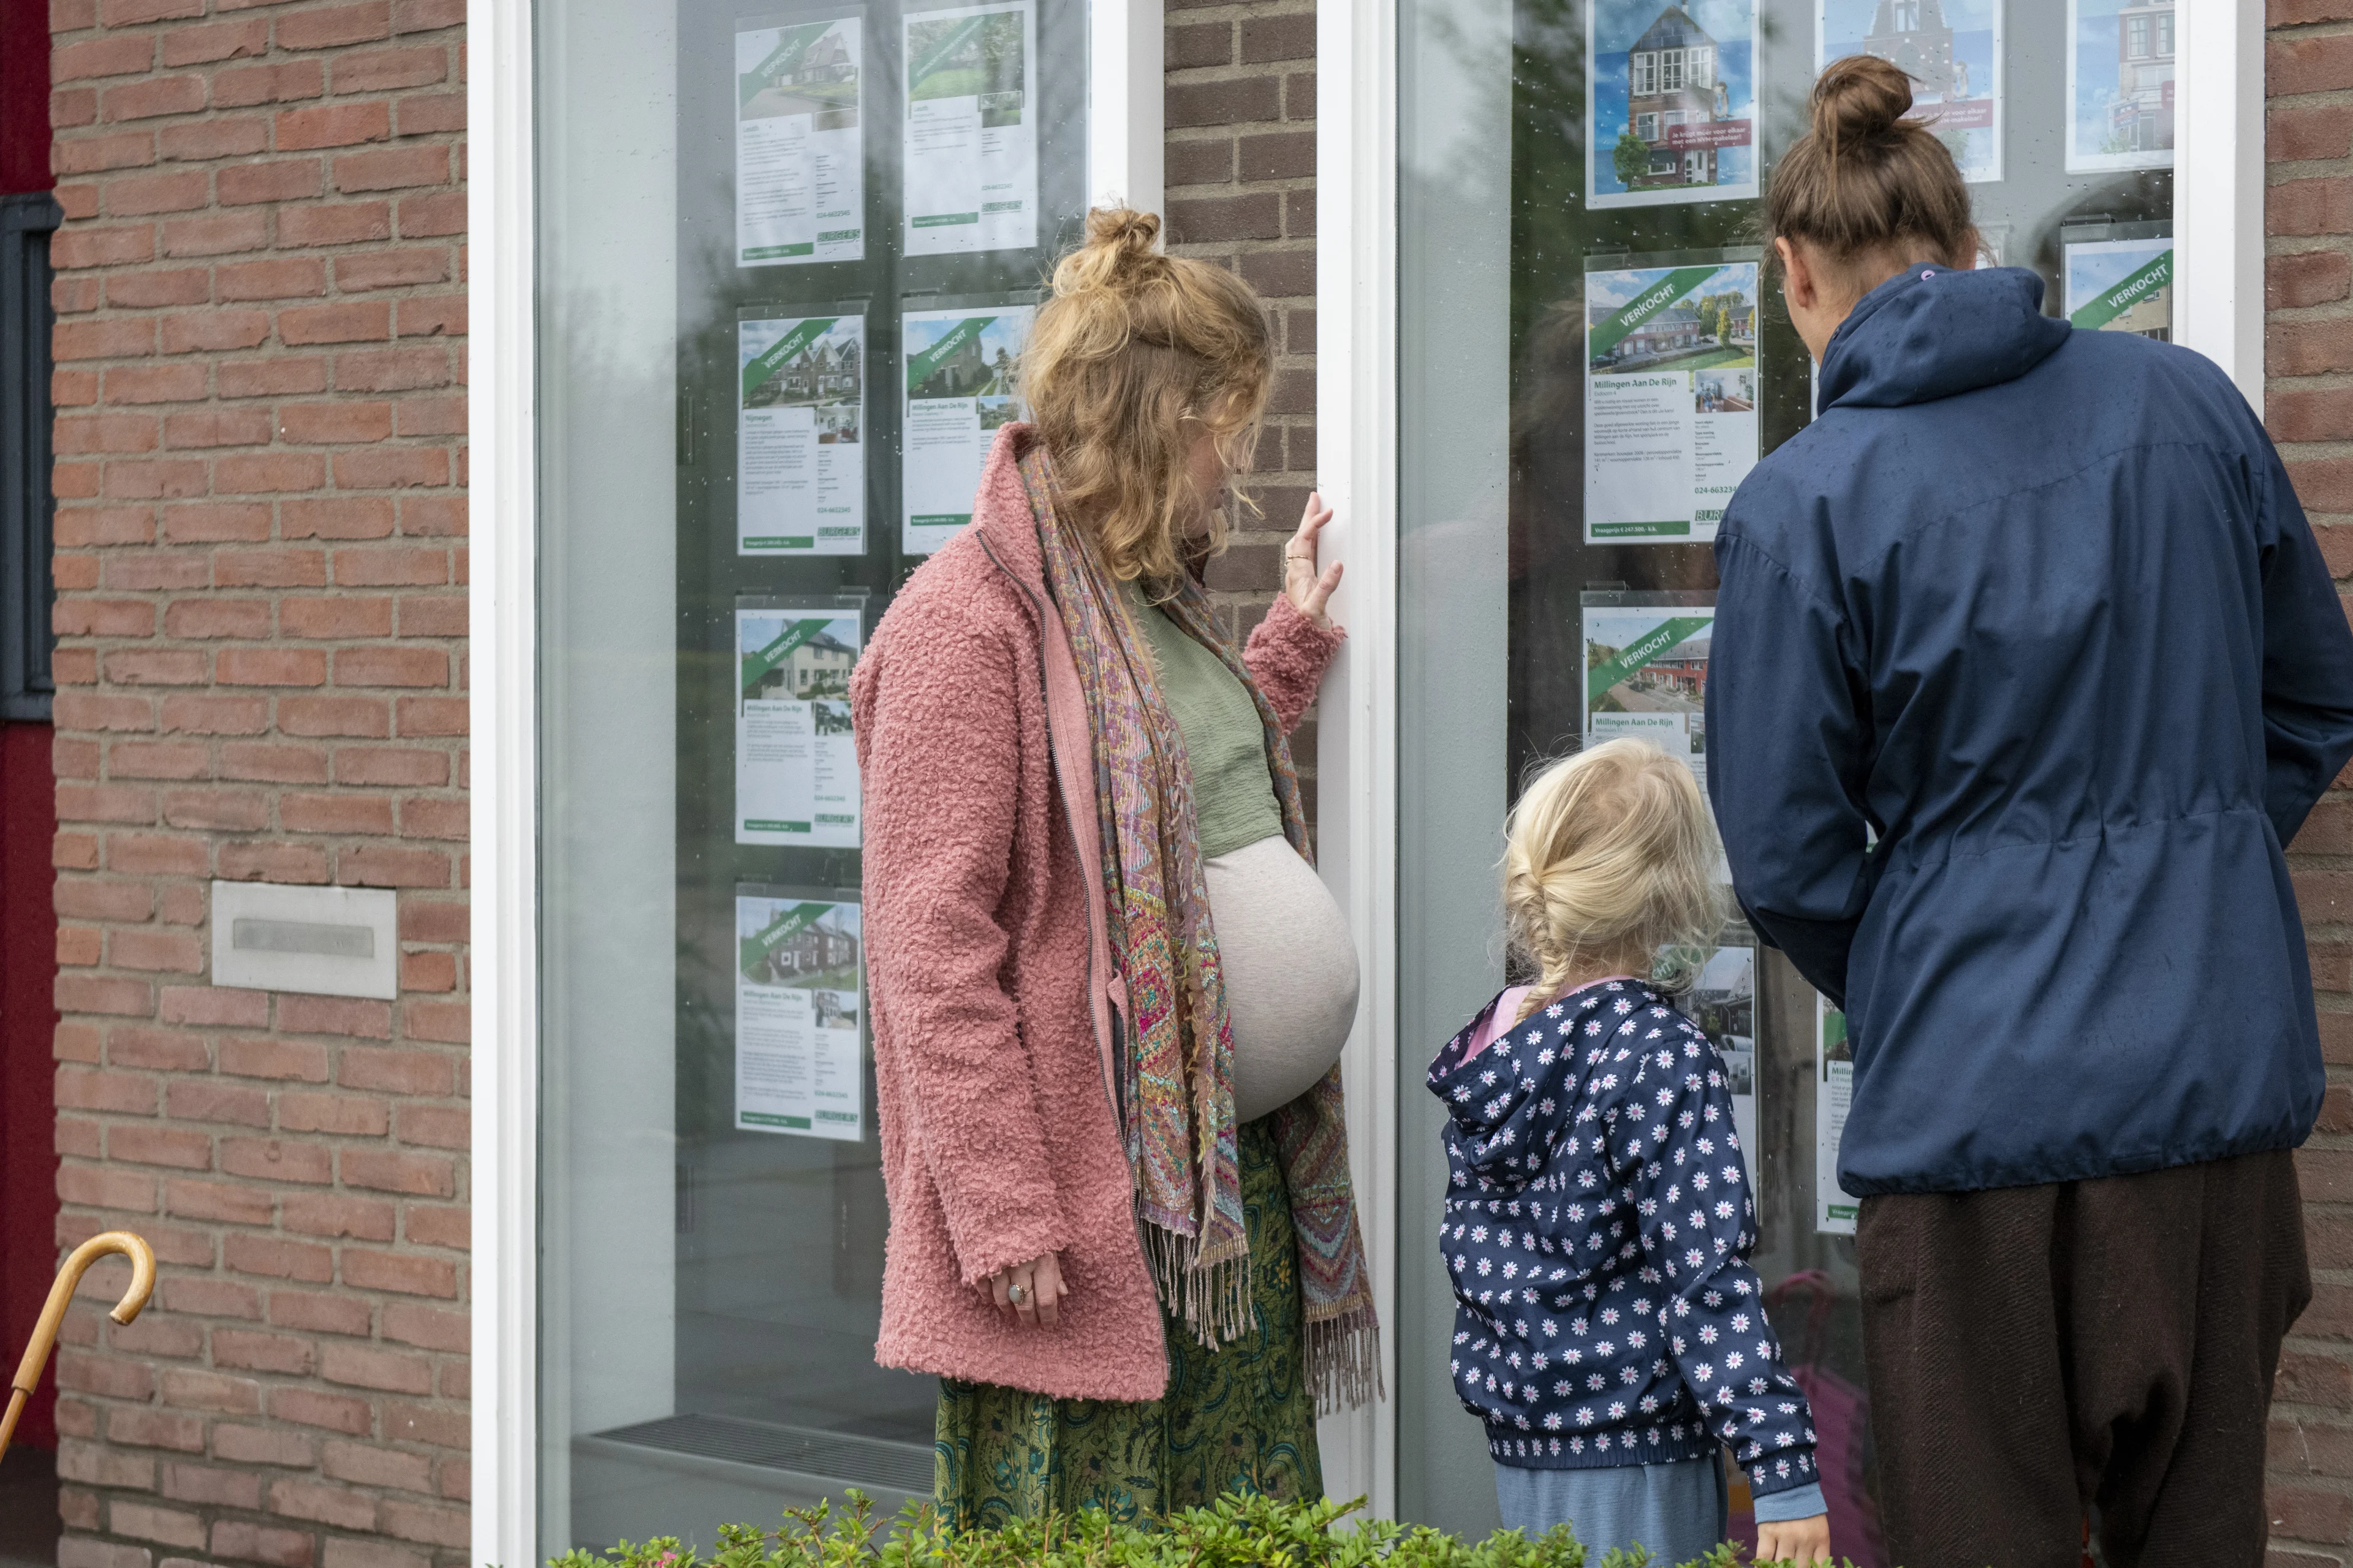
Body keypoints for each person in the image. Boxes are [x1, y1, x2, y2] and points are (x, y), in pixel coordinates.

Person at [1707, 56, 2353, 1568]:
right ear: (1971, 245)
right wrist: (2193, 863)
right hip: (2212, 1096)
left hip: (1974, 1135)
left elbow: (1788, 854)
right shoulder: (2187, 403)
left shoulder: (1805, 504)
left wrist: (1939, 966)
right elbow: (2317, 697)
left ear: (1797, 278)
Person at [852, 206, 1379, 1528]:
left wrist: (1286, 650)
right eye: (1224, 428)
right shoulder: (962, 624)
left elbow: (1166, 794)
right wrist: (1003, 1207)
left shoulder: (1144, 599)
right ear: (1157, 422)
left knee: (1236, 1534)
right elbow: (927, 943)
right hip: (1080, 1219)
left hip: (1214, 1193)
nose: (1233, 466)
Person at [1427, 739, 1832, 1566]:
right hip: (1641, 1452)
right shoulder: (1660, 1049)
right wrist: (1781, 1466)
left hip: (1524, 1448)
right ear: (1678, 892)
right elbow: (1705, 1275)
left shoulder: (1497, 1040)